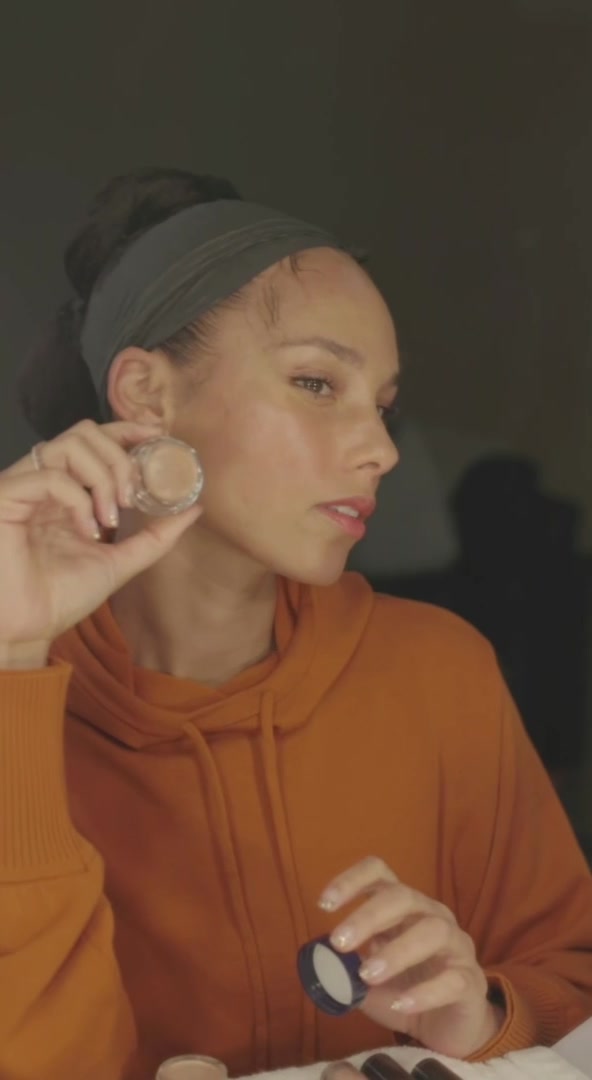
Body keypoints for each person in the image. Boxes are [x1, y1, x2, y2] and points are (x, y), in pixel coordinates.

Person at [0, 168, 591, 1080]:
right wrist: (10, 658)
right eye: (317, 383)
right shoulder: (22, 703)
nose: (382, 450)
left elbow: (572, 988)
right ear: (146, 394)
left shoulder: (439, 671)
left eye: (383, 407)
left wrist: (480, 1022)